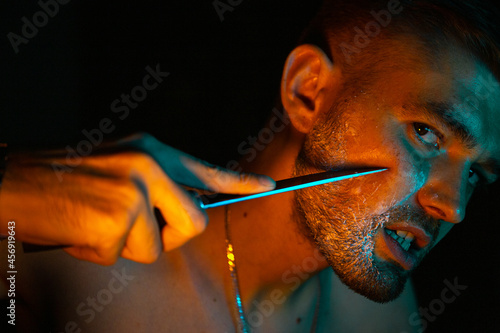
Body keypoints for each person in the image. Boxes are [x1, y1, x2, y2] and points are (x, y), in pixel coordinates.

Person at [1, 0, 500, 331]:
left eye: (475, 171)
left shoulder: (383, 318)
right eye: (426, 134)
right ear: (308, 92)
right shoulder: (65, 268)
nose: (453, 206)